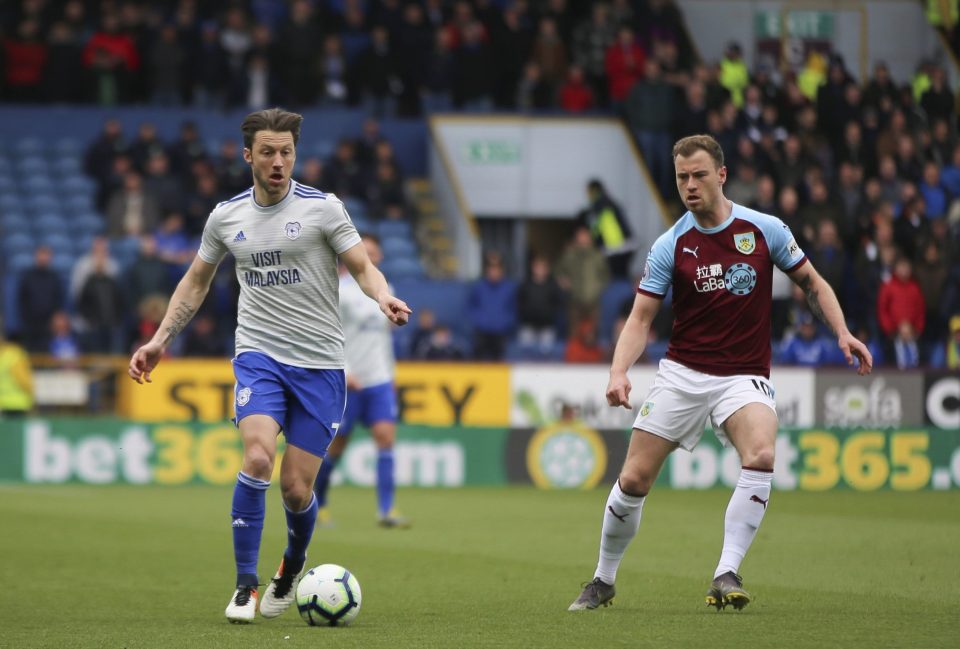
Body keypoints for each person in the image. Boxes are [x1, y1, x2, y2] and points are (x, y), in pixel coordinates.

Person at [127, 108, 411, 624]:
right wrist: (159, 339)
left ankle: (293, 564)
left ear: (294, 155)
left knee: (296, 488)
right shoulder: (226, 217)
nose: (278, 162)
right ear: (248, 157)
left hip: (322, 365)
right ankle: (244, 587)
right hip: (258, 356)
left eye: (286, 152)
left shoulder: (324, 209)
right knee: (258, 458)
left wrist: (384, 297)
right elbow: (195, 282)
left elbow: (363, 267)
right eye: (267, 153)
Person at [568, 134, 872, 613]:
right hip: (682, 373)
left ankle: (726, 570)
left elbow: (812, 283)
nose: (690, 186)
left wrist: (842, 331)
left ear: (722, 175)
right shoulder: (672, 244)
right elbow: (641, 318)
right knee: (633, 480)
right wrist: (618, 371)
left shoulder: (764, 229)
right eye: (682, 177)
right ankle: (603, 580)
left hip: (743, 376)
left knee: (762, 453)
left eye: (699, 175)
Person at [313, 234, 409, 529]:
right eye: (363, 251)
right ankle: (319, 505)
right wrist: (344, 370)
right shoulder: (340, 291)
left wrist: (390, 375)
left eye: (373, 251)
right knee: (337, 447)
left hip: (379, 379)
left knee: (386, 438)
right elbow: (329, 335)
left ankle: (386, 510)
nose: (369, 255)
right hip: (350, 381)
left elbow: (384, 340)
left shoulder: (386, 290)